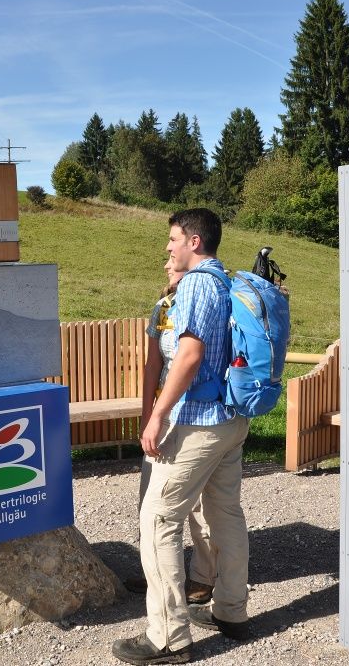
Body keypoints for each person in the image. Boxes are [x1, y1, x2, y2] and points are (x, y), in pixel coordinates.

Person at [112, 209, 251, 666]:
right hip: (231, 419)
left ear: (194, 241)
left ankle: (169, 638)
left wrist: (156, 415)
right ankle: (231, 612)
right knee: (225, 513)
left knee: (157, 519)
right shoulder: (226, 282)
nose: (168, 247)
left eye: (173, 239)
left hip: (199, 420)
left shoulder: (194, 284)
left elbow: (188, 356)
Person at [125, 260, 215, 606]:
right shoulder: (162, 308)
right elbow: (153, 364)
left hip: (201, 415)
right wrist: (149, 413)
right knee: (151, 495)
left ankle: (203, 578)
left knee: (200, 504)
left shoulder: (208, 300)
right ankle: (158, 573)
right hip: (166, 417)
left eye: (172, 259)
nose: (166, 265)